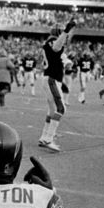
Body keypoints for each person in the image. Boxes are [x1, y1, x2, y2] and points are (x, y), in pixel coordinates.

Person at [37, 20, 77, 152]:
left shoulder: (51, 44)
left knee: (52, 110)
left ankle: (44, 137)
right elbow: (56, 47)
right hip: (52, 79)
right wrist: (67, 30)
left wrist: (67, 63)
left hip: (51, 79)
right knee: (61, 108)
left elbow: (61, 57)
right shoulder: (53, 41)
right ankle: (49, 138)